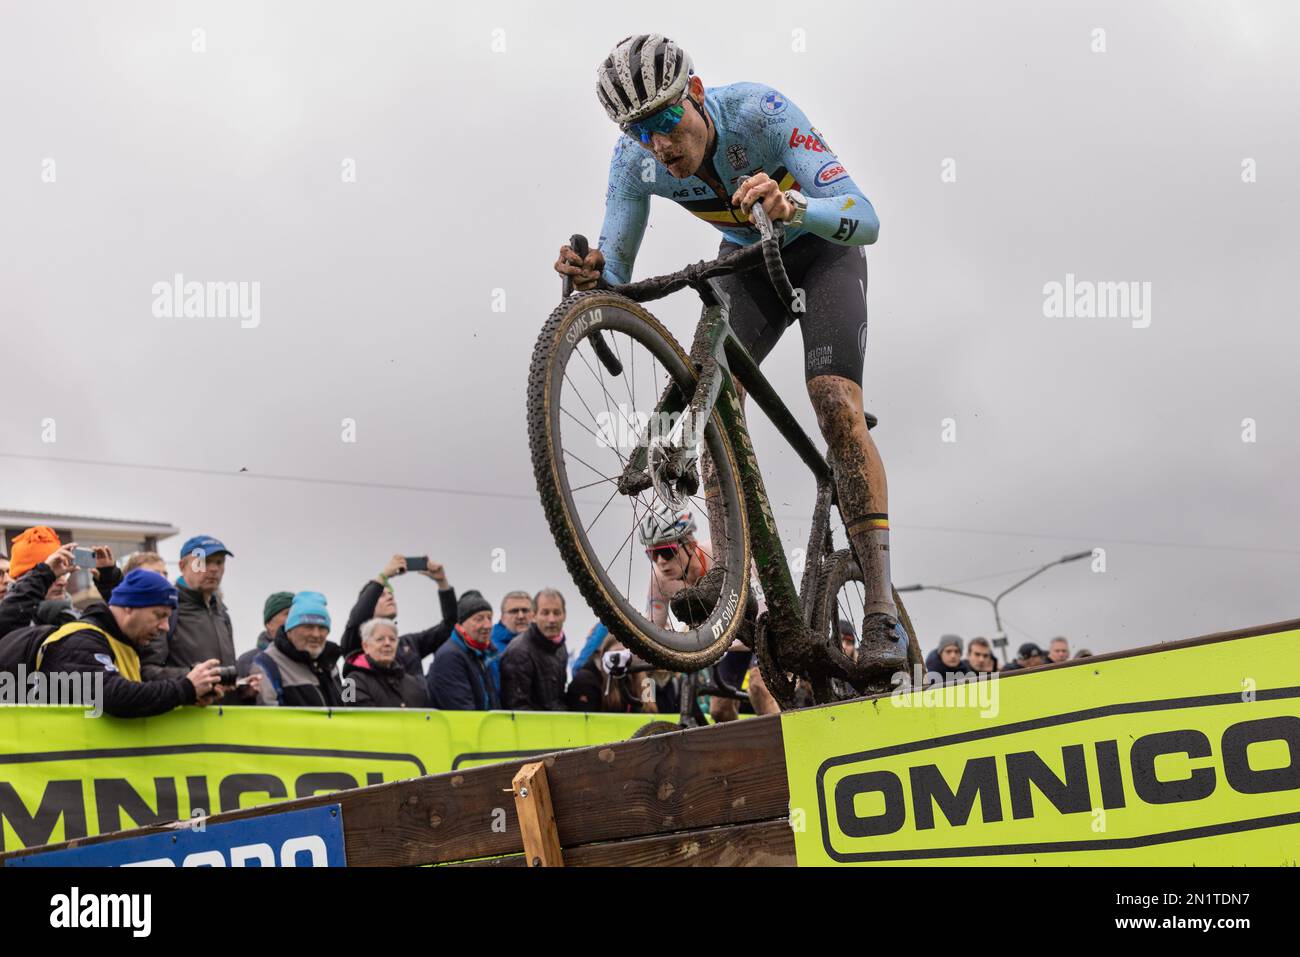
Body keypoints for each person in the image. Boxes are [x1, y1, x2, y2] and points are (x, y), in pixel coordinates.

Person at [557, 34, 904, 677]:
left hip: (820, 251)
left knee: (833, 401)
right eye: (640, 133)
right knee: (709, 398)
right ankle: (730, 577)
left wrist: (793, 202)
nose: (658, 145)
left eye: (665, 121)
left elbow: (868, 216)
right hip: (745, 262)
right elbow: (619, 270)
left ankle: (881, 607)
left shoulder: (760, 112)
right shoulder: (633, 162)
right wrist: (593, 275)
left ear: (694, 94)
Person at [33, 569, 224, 717]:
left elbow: (140, 695)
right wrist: (185, 688)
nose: (166, 626)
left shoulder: (124, 643)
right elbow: (115, 696)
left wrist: (189, 696)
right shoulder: (80, 640)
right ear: (129, 607)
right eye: (159, 615)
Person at [140, 534, 259, 704]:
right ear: (182, 566)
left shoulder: (222, 613)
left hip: (224, 722)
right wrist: (193, 679)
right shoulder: (165, 610)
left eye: (219, 562)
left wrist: (242, 690)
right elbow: (146, 671)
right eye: (203, 562)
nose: (213, 569)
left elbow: (221, 682)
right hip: (183, 724)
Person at [338, 555, 459, 677]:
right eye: (382, 595)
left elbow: (450, 626)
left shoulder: (410, 643)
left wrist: (442, 582)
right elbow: (357, 618)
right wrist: (383, 576)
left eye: (391, 594)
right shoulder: (357, 642)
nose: (390, 597)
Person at [0, 527, 121, 638]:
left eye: (64, 573)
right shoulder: (16, 628)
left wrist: (110, 581)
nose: (62, 582)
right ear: (29, 579)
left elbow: (130, 630)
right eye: (54, 575)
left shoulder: (80, 621)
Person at [253, 592, 344, 707]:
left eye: (322, 627)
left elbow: (346, 706)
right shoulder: (267, 664)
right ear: (290, 630)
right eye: (308, 626)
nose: (316, 634)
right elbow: (268, 718)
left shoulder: (330, 662)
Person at [426, 590, 500, 710]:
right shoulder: (450, 657)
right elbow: (462, 711)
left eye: (489, 618)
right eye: (479, 619)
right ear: (461, 624)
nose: (487, 625)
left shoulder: (487, 654)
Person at [500, 589, 569, 711]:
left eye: (557, 613)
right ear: (534, 616)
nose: (551, 619)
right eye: (545, 613)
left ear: (564, 615)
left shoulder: (560, 647)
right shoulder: (519, 652)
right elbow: (517, 707)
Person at [342, 618, 431, 708]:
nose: (387, 643)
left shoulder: (414, 685)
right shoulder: (352, 682)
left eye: (392, 639)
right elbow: (358, 719)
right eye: (380, 639)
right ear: (365, 646)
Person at [566, 635, 656, 713]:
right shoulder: (586, 680)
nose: (621, 661)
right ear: (604, 656)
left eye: (626, 655)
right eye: (617, 655)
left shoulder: (641, 680)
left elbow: (650, 714)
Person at [236, 591, 294, 678]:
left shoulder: (309, 658)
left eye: (296, 614)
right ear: (269, 624)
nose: (294, 618)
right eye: (287, 613)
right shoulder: (247, 661)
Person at [489, 590, 534, 689]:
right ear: (502, 617)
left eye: (525, 610)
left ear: (533, 614)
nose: (521, 616)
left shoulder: (543, 643)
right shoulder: (489, 647)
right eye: (514, 611)